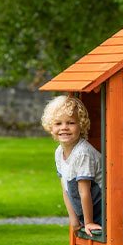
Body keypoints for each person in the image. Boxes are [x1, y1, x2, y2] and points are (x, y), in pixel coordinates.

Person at [41, 95, 102, 236]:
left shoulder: (83, 153)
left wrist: (88, 222)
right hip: (86, 212)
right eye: (58, 124)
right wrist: (74, 219)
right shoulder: (59, 152)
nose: (64, 128)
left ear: (81, 125)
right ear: (51, 127)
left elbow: (84, 191)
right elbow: (66, 188)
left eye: (71, 123)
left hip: (102, 212)